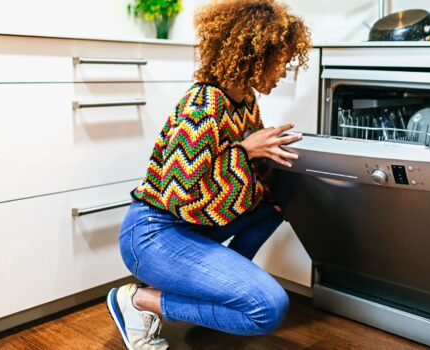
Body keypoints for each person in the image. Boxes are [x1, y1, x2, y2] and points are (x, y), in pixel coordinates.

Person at [106, 0, 311, 348]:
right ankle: (140, 301)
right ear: (255, 55)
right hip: (153, 235)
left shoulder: (244, 101)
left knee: (276, 202)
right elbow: (181, 193)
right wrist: (245, 152)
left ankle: (216, 292)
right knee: (268, 307)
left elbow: (238, 182)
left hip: (191, 227)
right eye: (282, 61)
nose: (283, 71)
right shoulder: (203, 104)